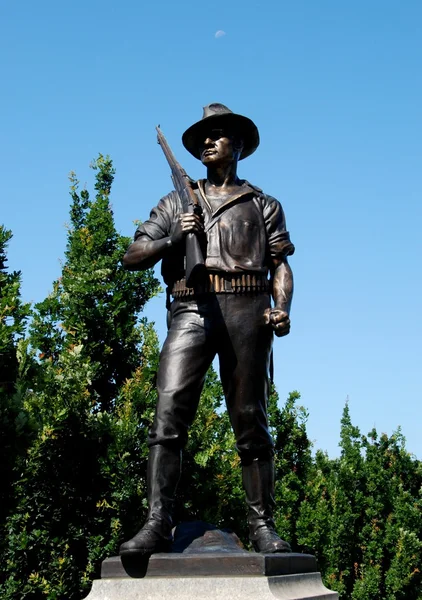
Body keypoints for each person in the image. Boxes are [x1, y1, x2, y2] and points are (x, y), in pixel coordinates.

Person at [121, 103, 295, 556]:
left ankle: (261, 526)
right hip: (191, 308)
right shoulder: (176, 201)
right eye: (202, 137)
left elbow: (281, 266)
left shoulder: (263, 204)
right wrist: (173, 239)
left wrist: (282, 307)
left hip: (247, 310)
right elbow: (133, 256)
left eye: (218, 135)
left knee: (250, 423)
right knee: (168, 417)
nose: (207, 142)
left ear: (237, 145)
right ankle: (158, 523)